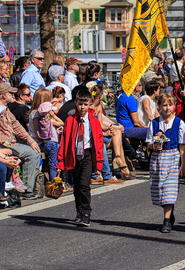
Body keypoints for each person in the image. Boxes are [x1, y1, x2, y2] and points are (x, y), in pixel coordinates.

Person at [57, 89, 104, 227]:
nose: (82, 107)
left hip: (88, 154)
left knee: (84, 185)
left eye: (85, 104)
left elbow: (99, 143)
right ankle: (79, 210)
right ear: (75, 103)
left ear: (90, 104)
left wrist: (99, 163)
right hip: (74, 155)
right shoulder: (70, 120)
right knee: (77, 186)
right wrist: (60, 161)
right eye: (80, 104)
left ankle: (86, 212)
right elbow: (64, 141)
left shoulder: (93, 122)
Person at [146, 93, 185, 233]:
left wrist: (183, 164)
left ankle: (166, 221)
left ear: (174, 106)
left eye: (170, 105)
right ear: (159, 107)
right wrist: (154, 145)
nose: (167, 108)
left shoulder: (179, 123)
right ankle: (169, 212)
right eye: (164, 105)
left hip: (172, 157)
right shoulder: (154, 123)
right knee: (160, 189)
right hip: (158, 159)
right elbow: (149, 142)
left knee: (169, 189)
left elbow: (182, 145)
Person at [0, 83, 41, 200]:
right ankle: (25, 190)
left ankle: (24, 187)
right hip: (3, 145)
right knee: (32, 154)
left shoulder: (6, 109)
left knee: (35, 150)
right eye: (11, 93)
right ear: (4, 95)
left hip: (11, 143)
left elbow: (16, 126)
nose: (14, 95)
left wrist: (30, 140)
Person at [89, 85, 131, 182]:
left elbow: (100, 125)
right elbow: (91, 128)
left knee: (117, 132)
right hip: (93, 136)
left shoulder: (98, 107)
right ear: (100, 95)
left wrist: (109, 128)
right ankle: (119, 163)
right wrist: (104, 134)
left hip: (99, 134)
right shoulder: (90, 107)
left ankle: (117, 159)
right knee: (107, 141)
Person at [29, 100, 64, 181]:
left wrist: (55, 132)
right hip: (52, 144)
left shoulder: (41, 121)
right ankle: (54, 181)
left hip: (45, 144)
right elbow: (61, 123)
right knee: (53, 164)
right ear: (49, 112)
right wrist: (54, 116)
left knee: (49, 163)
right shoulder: (51, 121)